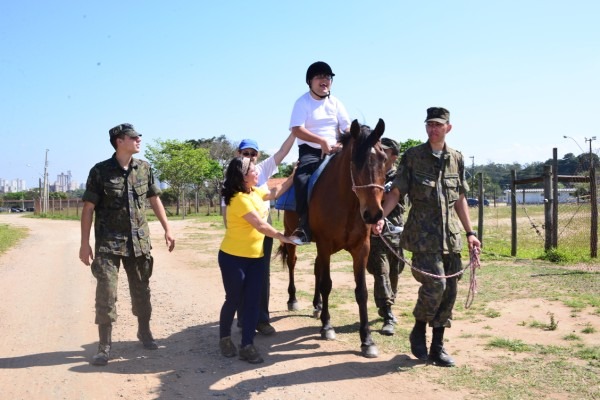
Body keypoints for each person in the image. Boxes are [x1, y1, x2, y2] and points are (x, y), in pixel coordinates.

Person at [373, 107, 481, 367]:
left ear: (448, 128)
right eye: (429, 124)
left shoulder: (456, 158)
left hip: (451, 237)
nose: (433, 128)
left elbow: (460, 198)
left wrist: (470, 232)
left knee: (450, 291)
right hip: (422, 236)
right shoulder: (413, 156)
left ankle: (438, 346)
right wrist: (381, 216)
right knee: (436, 286)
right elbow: (397, 193)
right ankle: (419, 327)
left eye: (438, 125)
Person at [79, 123, 175, 366]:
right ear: (119, 141)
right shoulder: (100, 171)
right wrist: (84, 243)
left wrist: (167, 228)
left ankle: (144, 331)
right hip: (108, 243)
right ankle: (104, 345)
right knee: (106, 293)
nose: (139, 140)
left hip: (138, 242)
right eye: (133, 137)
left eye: (138, 136)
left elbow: (154, 200)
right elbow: (88, 209)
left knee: (142, 290)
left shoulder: (144, 168)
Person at [219, 157, 295, 364]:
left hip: (256, 258)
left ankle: (247, 345)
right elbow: (260, 226)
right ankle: (225, 338)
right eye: (253, 170)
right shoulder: (238, 199)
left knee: (253, 301)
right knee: (233, 299)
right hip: (233, 258)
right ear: (243, 176)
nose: (257, 173)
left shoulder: (254, 192)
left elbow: (274, 192)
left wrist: (293, 175)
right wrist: (284, 237)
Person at [288, 61, 351, 245]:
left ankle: (373, 221)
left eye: (328, 77)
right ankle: (304, 225)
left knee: (363, 172)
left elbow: (346, 128)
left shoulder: (336, 103)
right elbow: (297, 129)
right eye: (319, 76)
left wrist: (340, 143)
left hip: (337, 151)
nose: (325, 80)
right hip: (311, 152)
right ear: (310, 81)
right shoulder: (302, 102)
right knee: (301, 179)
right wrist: (321, 141)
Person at [366, 137, 405, 336]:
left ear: (394, 156)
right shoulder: (371, 174)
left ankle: (387, 305)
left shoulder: (399, 175)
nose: (381, 153)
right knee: (381, 272)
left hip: (396, 231)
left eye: (386, 151)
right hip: (376, 232)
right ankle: (388, 314)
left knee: (395, 272)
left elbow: (396, 196)